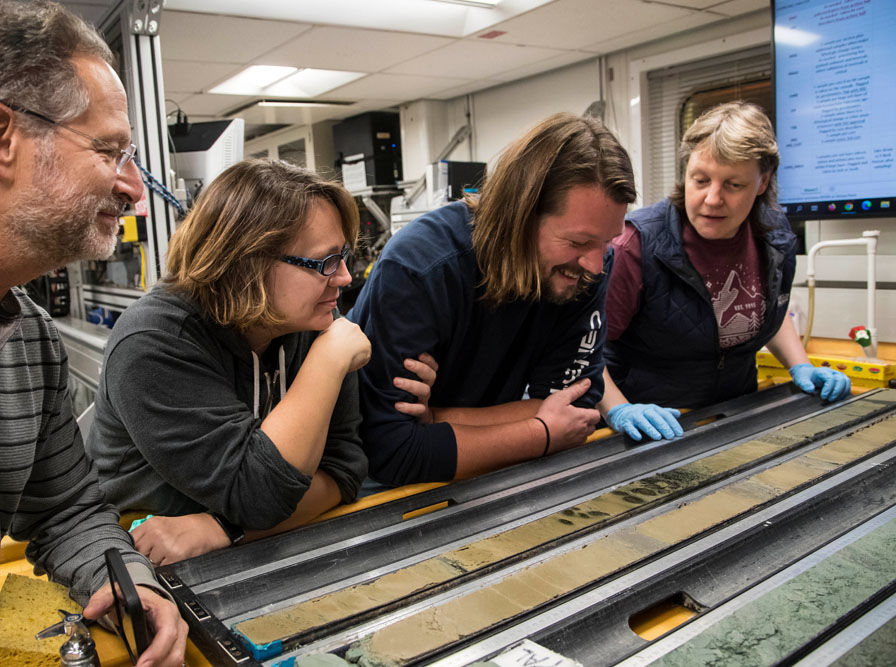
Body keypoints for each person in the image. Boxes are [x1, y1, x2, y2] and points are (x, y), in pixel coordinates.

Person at [0, 1, 187, 664]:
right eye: (110, 150)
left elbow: (66, 510)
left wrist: (131, 581)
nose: (135, 190)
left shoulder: (28, 333)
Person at [85, 159, 371, 565]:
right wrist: (327, 362)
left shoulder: (314, 324)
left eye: (344, 257)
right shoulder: (155, 342)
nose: (343, 278)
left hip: (247, 549)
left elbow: (343, 472)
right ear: (247, 264)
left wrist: (222, 529)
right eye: (325, 262)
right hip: (142, 559)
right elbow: (260, 496)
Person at [349, 113, 637, 487]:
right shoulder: (420, 269)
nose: (597, 265)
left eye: (607, 241)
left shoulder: (581, 268)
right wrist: (539, 432)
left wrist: (436, 419)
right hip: (390, 494)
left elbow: (575, 413)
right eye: (579, 242)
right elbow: (392, 453)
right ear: (519, 215)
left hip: (491, 473)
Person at [600, 101, 850, 442]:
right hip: (651, 427)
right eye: (700, 180)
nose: (712, 199)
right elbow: (583, 349)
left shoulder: (775, 238)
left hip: (735, 415)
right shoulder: (635, 246)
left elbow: (764, 309)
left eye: (733, 185)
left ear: (762, 182)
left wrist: (801, 365)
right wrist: (618, 409)